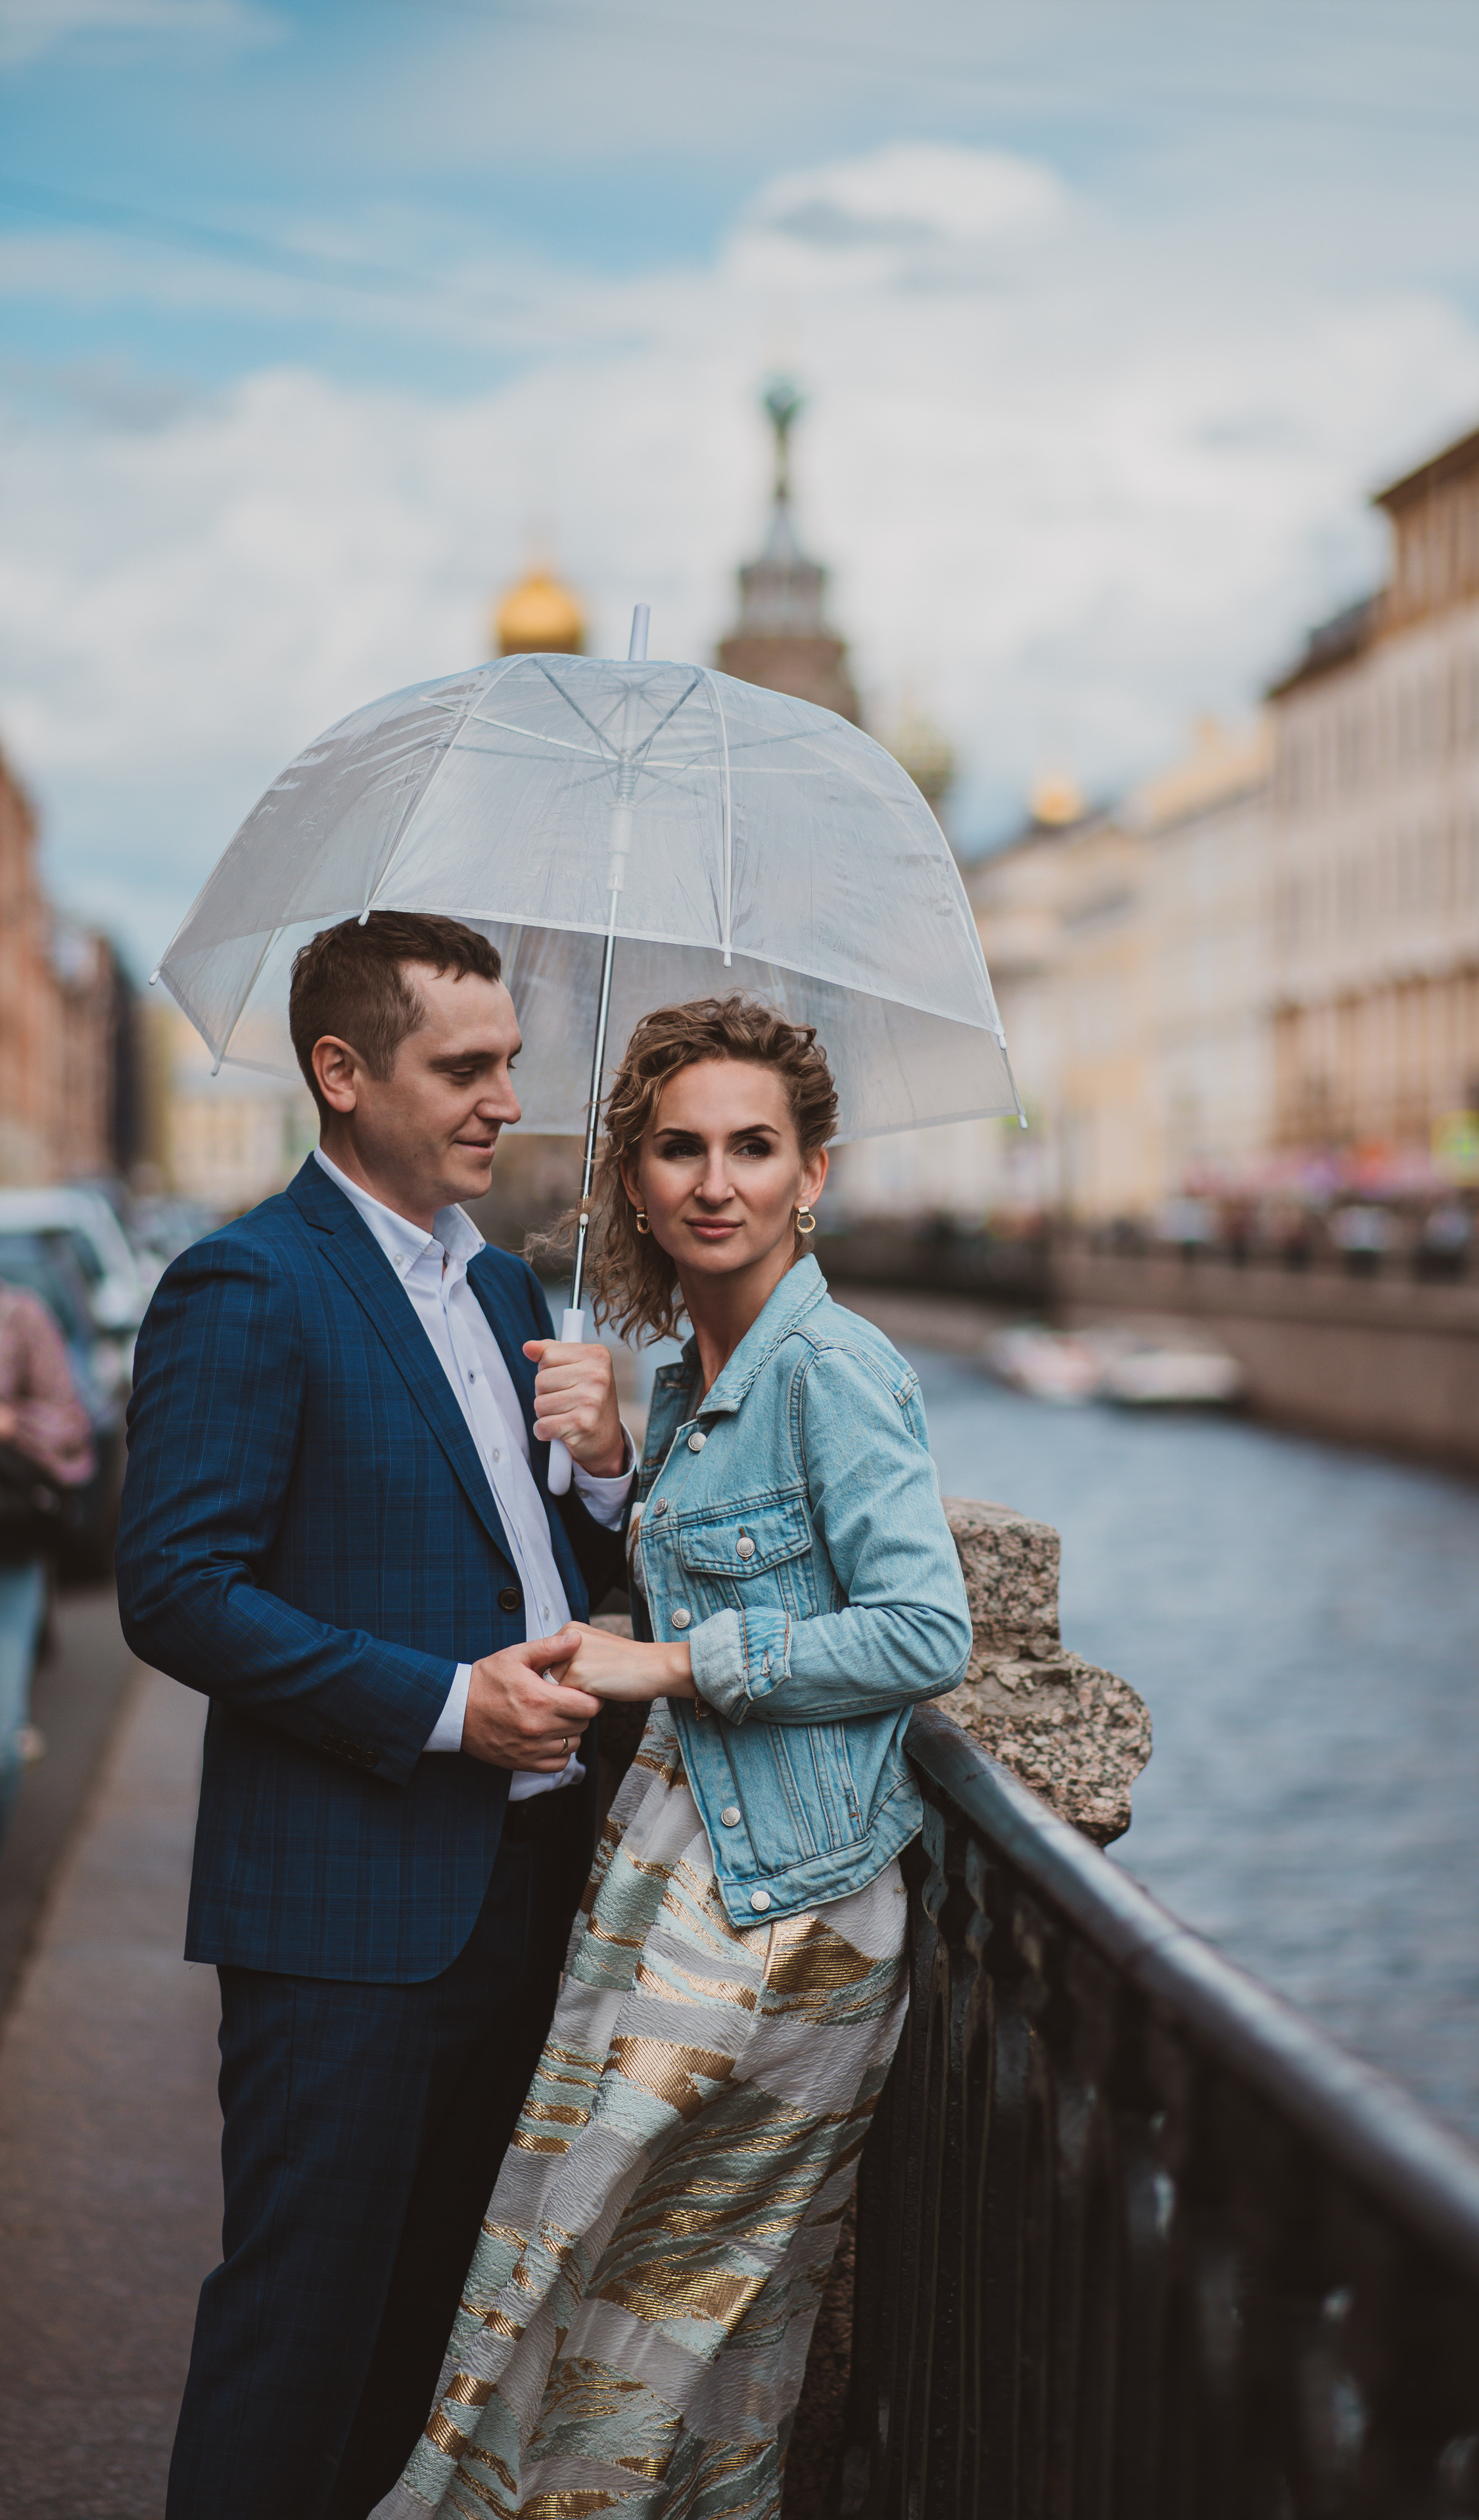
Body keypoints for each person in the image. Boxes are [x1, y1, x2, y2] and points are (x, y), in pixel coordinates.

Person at [377, 994, 972, 2520]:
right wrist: (610, 1467)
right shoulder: (700, 1370)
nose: (717, 1180)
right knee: (620, 2312)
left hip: (779, 1913)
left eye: (754, 1147)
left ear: (812, 1173)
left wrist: (672, 1656)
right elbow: (732, 1575)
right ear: (633, 1180)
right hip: (687, 1868)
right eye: (680, 1147)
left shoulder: (828, 1364)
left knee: (624, 2304)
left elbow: (922, 1629)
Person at [117, 912, 637, 2520]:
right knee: (301, 2336)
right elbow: (177, 1588)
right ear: (341, 1073)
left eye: (510, 1065)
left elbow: (543, 1562)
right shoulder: (248, 1281)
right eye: (463, 1066)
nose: (503, 1100)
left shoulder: (497, 1291)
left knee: (431, 2343)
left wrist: (605, 1460)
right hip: (347, 1913)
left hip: (519, 1895)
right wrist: (438, 1705)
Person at [0, 1279, 93, 1846]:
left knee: (3, 1746)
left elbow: (72, 1424)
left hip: (6, 1554)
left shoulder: (18, 1315)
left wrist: (12, 1424)